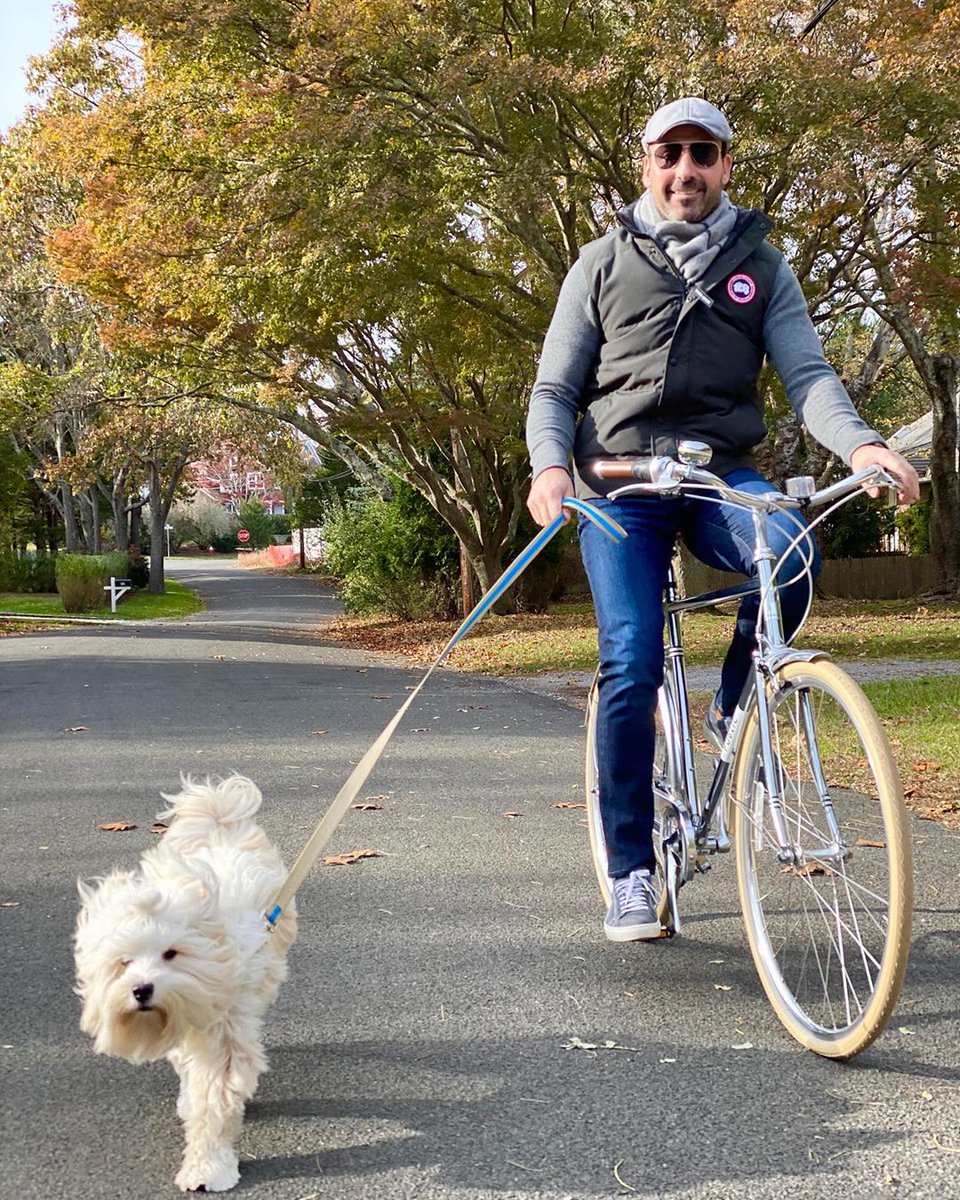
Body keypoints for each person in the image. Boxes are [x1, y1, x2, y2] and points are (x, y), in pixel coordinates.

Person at [525, 97, 919, 943]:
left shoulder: (762, 266)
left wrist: (863, 447)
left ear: (727, 165)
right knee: (630, 664)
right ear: (646, 165)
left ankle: (736, 707)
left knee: (792, 550)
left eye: (702, 154)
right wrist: (552, 468)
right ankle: (632, 871)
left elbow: (810, 375)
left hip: (715, 476)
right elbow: (556, 389)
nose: (685, 171)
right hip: (619, 485)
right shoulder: (599, 263)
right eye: (670, 154)